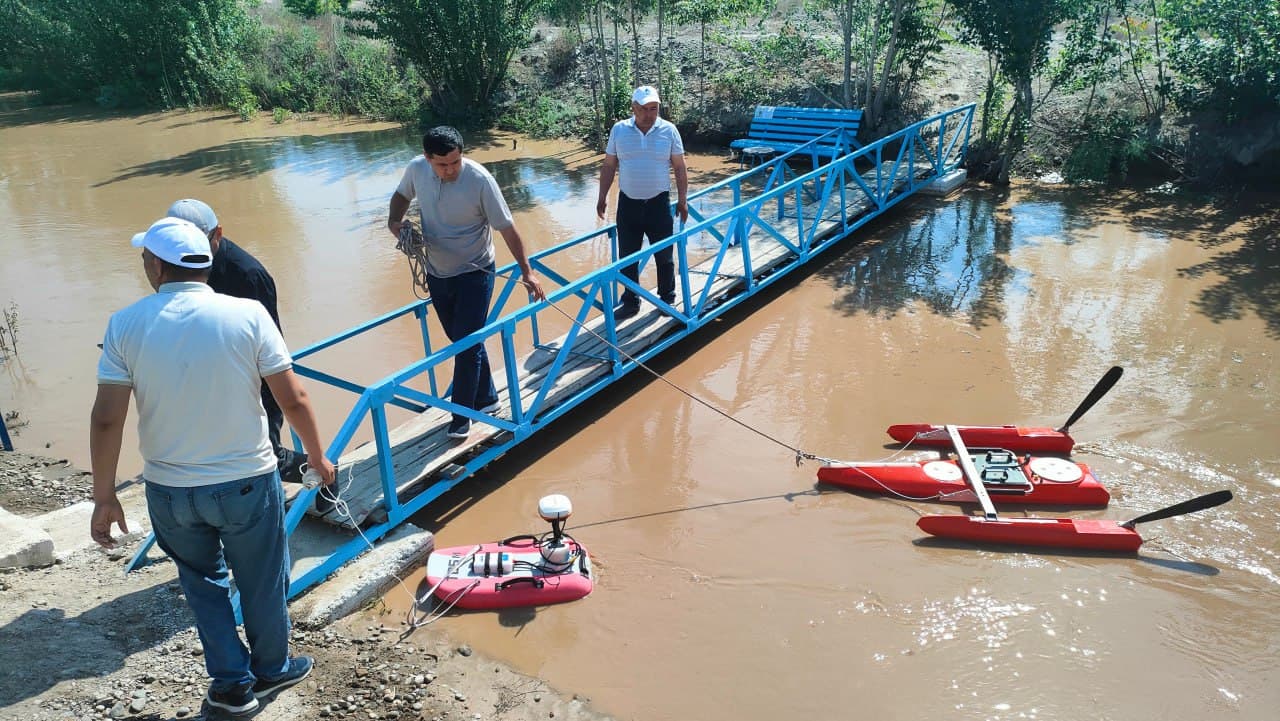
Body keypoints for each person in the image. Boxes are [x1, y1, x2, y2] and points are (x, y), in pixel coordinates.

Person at [89, 216, 337, 715]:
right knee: (263, 578)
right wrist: (316, 456)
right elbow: (293, 398)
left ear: (158, 266)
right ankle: (272, 670)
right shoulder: (247, 314)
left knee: (201, 584)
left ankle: (230, 685)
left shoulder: (125, 323)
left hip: (169, 488)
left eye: (144, 259)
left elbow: (106, 420)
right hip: (246, 480)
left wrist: (104, 496)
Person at [386, 126, 547, 439]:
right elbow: (401, 195)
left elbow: (508, 228)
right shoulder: (417, 170)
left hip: (477, 271)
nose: (450, 170)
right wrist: (395, 223)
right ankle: (487, 398)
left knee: (466, 342)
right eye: (442, 165)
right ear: (427, 158)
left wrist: (527, 271)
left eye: (455, 162)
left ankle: (461, 416)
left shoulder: (479, 180)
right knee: (460, 338)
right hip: (437, 271)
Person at [165, 198, 307, 484]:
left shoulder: (247, 275)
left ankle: (323, 472)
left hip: (254, 382)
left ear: (217, 233)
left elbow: (269, 345)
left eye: (197, 242)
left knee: (267, 456)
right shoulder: (174, 269)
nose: (187, 251)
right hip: (210, 380)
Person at [596, 85, 689, 319]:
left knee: (665, 256)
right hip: (628, 204)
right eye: (644, 109)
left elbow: (679, 167)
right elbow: (609, 165)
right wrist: (602, 196)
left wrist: (683, 200)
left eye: (654, 109)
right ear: (633, 108)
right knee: (628, 256)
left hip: (658, 203)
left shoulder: (669, 130)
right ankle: (630, 302)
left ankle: (667, 299)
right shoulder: (619, 130)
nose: (649, 114)